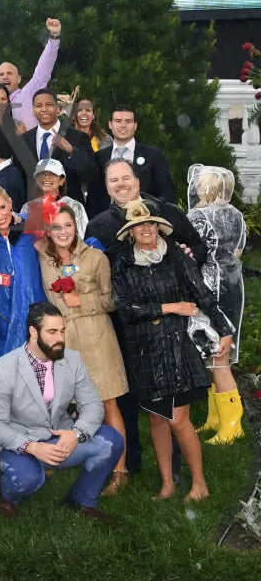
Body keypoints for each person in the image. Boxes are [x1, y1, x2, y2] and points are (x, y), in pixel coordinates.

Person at [111, 200, 233, 501]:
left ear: (158, 227)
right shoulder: (123, 263)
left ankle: (199, 484)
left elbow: (200, 292)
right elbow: (125, 308)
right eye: (140, 225)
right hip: (144, 350)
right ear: (131, 232)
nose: (146, 229)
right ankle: (167, 484)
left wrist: (225, 328)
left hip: (178, 345)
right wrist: (171, 307)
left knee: (178, 419)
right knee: (156, 418)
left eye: (151, 223)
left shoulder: (176, 255)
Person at [0, 302, 124, 519]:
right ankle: (7, 497)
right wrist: (31, 447)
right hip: (21, 442)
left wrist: (76, 435)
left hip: (61, 438)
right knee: (26, 480)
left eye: (62, 331)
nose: (60, 338)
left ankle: (81, 501)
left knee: (112, 440)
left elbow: (93, 405)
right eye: (52, 332)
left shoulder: (72, 360)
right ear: (32, 331)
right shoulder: (2, 369)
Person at [39, 205, 130, 493]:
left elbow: (113, 300)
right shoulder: (44, 257)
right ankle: (60, 457)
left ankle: (119, 470)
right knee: (63, 404)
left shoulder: (95, 257)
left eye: (67, 225)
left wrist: (83, 301)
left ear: (76, 226)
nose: (62, 232)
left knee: (107, 402)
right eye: (56, 227)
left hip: (95, 338)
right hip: (62, 342)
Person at [187, 165, 247, 444]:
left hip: (210, 288)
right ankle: (216, 418)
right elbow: (237, 251)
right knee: (218, 354)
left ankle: (232, 426)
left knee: (217, 358)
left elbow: (191, 253)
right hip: (234, 286)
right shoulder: (236, 215)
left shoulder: (198, 216)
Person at [86, 159, 205, 267]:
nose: (120, 183)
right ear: (107, 188)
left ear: (137, 182)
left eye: (126, 178)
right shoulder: (97, 227)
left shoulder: (169, 212)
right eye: (114, 180)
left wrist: (191, 255)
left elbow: (199, 247)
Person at [0, 184, 46, 358]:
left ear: (10, 202)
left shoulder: (33, 226)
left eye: (2, 207)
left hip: (38, 308)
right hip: (4, 316)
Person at [89, 103, 176, 213]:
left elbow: (167, 195)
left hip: (145, 223)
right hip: (108, 224)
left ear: (135, 125)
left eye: (128, 121)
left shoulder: (154, 156)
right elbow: (93, 199)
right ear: (110, 124)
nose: (123, 125)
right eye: (118, 121)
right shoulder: (98, 157)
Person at [19, 88, 97, 207]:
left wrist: (71, 150)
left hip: (69, 211)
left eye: (49, 105)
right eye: (39, 106)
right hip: (35, 211)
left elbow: (92, 174)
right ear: (33, 110)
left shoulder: (78, 137)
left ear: (58, 108)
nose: (44, 109)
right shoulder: (23, 140)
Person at [0, 18, 62, 129]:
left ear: (19, 79)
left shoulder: (28, 94)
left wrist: (54, 38)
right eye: (1, 75)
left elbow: (43, 70)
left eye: (9, 73)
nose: (5, 77)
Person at [25, 158, 88, 237]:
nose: (46, 177)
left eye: (52, 174)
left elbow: (82, 237)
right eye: (42, 174)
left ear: (61, 180)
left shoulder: (74, 206)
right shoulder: (27, 208)